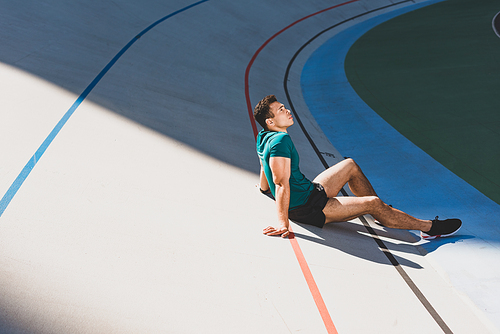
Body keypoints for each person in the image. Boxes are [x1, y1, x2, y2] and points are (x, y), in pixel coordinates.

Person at [253, 94, 461, 239]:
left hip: (309, 192)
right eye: (281, 110)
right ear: (270, 121)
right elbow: (280, 184)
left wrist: (264, 189)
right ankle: (428, 228)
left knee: (350, 165)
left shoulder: (264, 136)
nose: (287, 110)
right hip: (307, 208)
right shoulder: (281, 141)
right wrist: (283, 223)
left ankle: (382, 213)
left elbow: (265, 168)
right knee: (373, 202)